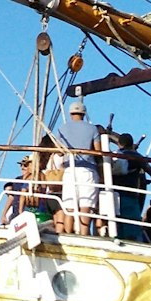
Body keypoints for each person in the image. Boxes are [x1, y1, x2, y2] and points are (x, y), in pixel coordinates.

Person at [54, 98, 102, 236]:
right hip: (87, 169)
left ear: (70, 114)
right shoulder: (92, 129)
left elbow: (59, 151)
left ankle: (68, 233)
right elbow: (98, 151)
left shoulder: (62, 128)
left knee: (69, 206)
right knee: (85, 206)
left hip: (70, 170)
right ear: (84, 114)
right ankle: (84, 234)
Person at [110, 132, 151, 242]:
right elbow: (149, 170)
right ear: (132, 144)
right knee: (131, 221)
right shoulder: (136, 156)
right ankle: (131, 240)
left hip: (115, 193)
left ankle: (116, 237)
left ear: (119, 144)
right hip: (130, 194)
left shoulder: (114, 156)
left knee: (117, 219)